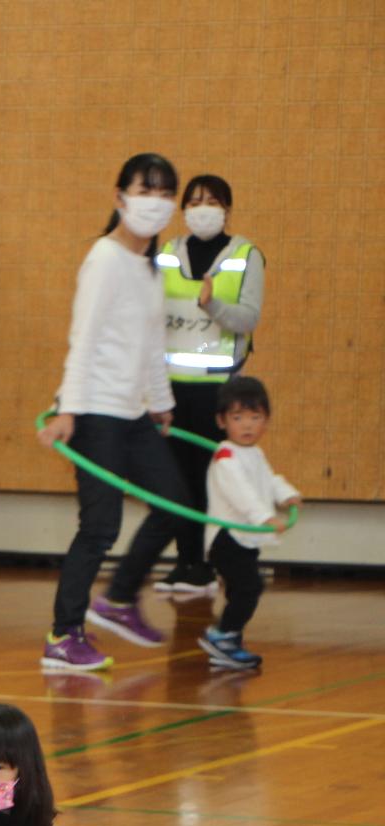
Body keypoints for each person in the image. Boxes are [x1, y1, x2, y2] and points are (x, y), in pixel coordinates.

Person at [36, 152, 184, 672]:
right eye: (146, 189)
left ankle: (119, 599)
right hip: (94, 412)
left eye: (166, 192)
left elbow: (150, 346)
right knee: (100, 527)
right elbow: (86, 337)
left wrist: (161, 405)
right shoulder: (104, 257)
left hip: (134, 414)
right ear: (120, 197)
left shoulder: (149, 267)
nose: (156, 201)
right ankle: (63, 634)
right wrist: (68, 411)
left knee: (174, 503)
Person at [153, 175, 266, 597]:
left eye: (213, 201)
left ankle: (219, 564)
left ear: (227, 208)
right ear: (183, 208)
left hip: (219, 391)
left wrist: (212, 304)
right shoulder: (166, 254)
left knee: (213, 479)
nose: (203, 209)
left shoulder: (245, 255)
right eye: (195, 201)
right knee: (176, 479)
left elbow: (247, 319)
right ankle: (188, 565)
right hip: (169, 389)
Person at [199, 377, 300, 671]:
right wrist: (265, 518)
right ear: (222, 421)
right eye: (238, 417)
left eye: (255, 418)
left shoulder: (254, 453)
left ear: (266, 421)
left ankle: (229, 645)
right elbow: (241, 494)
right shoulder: (226, 457)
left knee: (239, 589)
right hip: (226, 537)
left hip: (245, 538)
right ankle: (221, 636)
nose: (247, 425)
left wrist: (286, 495)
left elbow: (267, 481)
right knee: (249, 587)